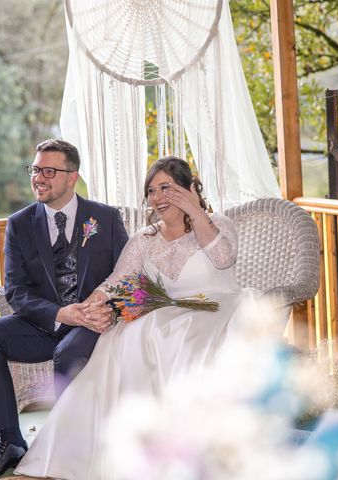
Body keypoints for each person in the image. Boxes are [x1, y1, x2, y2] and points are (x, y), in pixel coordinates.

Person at [15, 156, 286, 480]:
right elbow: (117, 279)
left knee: (179, 336)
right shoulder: (145, 238)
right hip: (166, 313)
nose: (158, 197)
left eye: (167, 188)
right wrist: (88, 308)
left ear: (190, 189)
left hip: (219, 311)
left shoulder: (217, 223)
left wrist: (196, 211)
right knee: (124, 336)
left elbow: (224, 258)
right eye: (152, 190)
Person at [0, 139, 129, 478]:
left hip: (91, 326)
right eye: (36, 169)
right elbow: (15, 290)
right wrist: (58, 313)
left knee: (68, 354)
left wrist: (106, 311)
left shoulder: (105, 218)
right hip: (43, 324)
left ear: (72, 178)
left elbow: (127, 276)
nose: (39, 177)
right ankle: (10, 441)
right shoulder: (19, 223)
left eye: (49, 171)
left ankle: (69, 446)